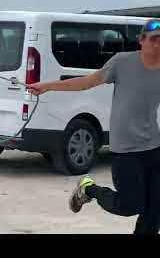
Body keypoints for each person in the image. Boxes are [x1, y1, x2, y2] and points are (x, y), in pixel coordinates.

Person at [27, 19, 160, 234]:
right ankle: (89, 189)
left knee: (155, 210)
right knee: (130, 206)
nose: (159, 44)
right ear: (141, 40)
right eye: (154, 39)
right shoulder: (122, 63)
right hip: (126, 149)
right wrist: (48, 86)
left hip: (154, 146)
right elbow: (87, 82)